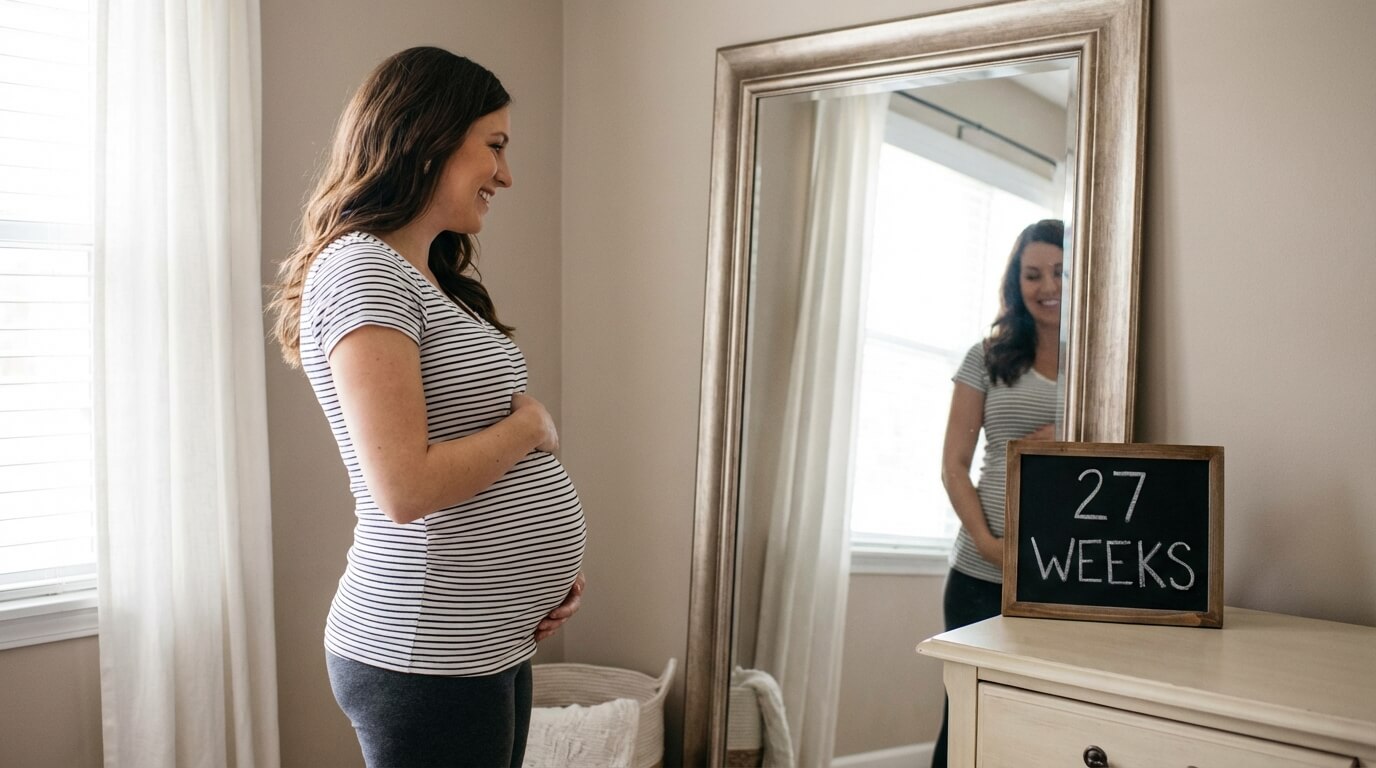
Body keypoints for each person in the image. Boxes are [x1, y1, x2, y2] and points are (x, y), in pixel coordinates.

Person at [268, 47, 586, 768]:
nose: (506, 175)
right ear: (429, 137)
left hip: (477, 638)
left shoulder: (421, 277)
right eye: (495, 147)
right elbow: (405, 487)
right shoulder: (361, 269)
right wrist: (529, 428)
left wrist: (534, 572)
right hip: (423, 648)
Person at [929, 219, 1064, 767]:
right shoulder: (985, 358)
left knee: (1038, 730)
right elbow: (954, 467)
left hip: (1060, 575)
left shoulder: (1106, 362)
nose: (1046, 286)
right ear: (1017, 283)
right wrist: (988, 543)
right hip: (980, 577)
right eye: (1032, 274)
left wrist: (1066, 436)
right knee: (965, 724)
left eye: (1059, 271)